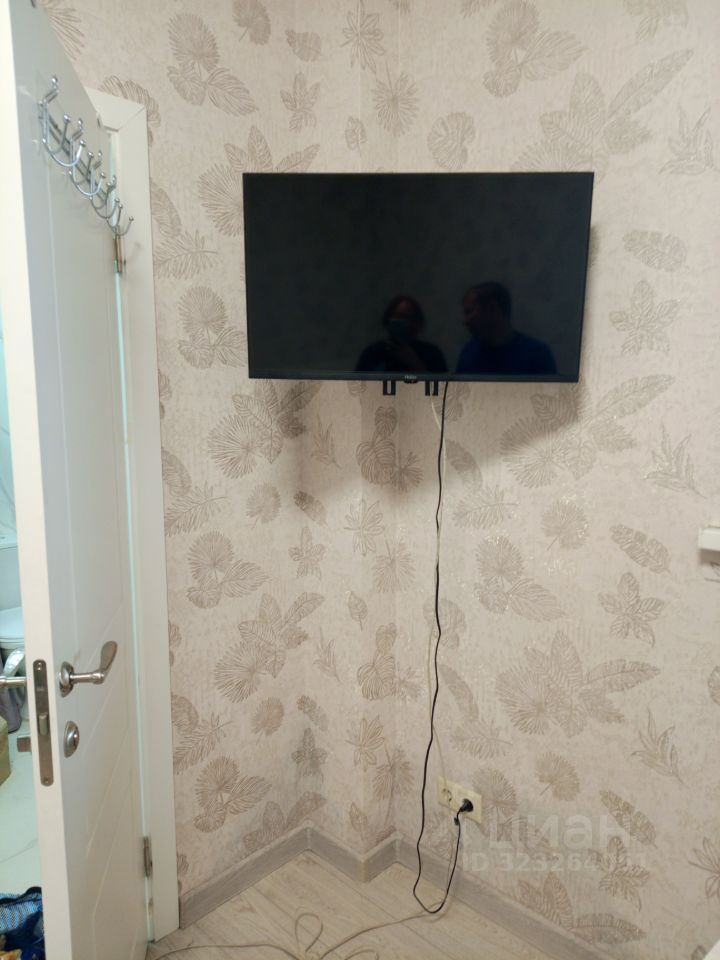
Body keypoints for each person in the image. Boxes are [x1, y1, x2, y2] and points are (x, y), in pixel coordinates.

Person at [456, 282, 556, 376]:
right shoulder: (469, 353)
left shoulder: (536, 355)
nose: (465, 321)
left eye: (469, 311)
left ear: (492, 309)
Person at [356, 295, 447, 374]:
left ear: (418, 322)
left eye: (410, 318)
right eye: (399, 317)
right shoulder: (372, 353)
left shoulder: (432, 354)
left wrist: (414, 363)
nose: (406, 323)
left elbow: (443, 386)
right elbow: (360, 385)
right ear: (388, 321)